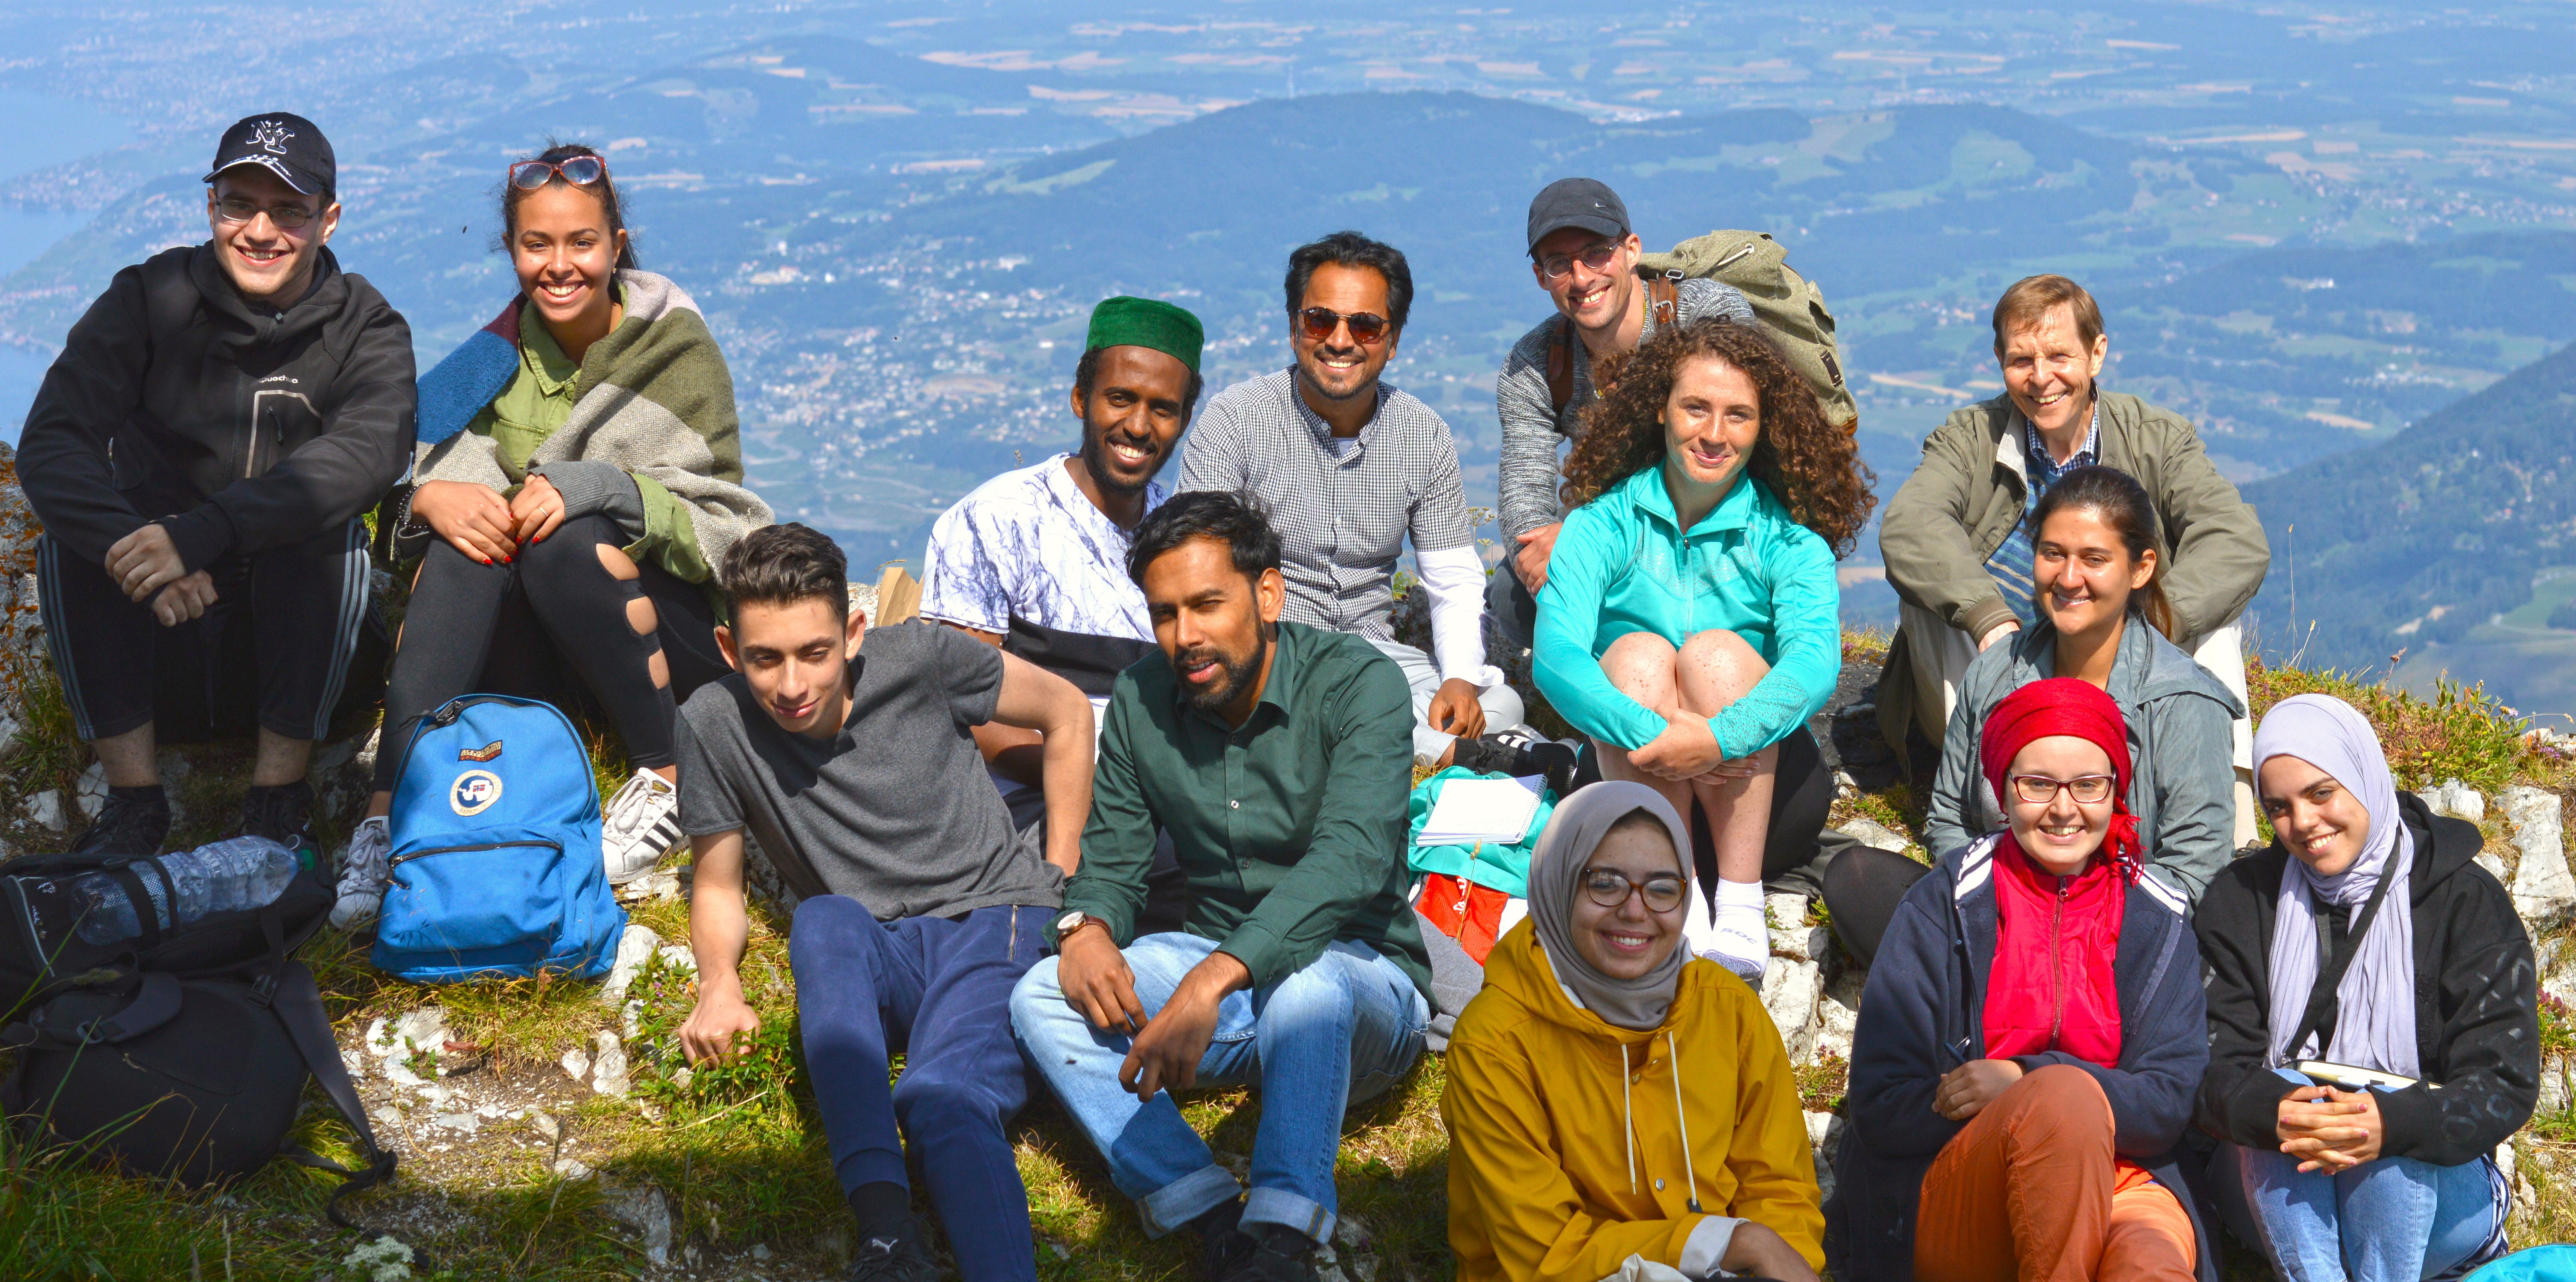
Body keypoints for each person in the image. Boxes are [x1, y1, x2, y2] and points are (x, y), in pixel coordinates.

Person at [331, 143, 772, 928]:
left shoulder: (673, 350)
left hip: (665, 640)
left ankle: (667, 777)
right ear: (512, 250)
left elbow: (725, 527)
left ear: (617, 245)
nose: (559, 264)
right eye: (538, 244)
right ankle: (383, 815)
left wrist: (601, 486)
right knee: (463, 542)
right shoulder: (488, 365)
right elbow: (398, 506)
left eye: (581, 242)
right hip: (545, 650)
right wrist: (430, 502)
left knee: (568, 531)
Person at [1009, 491, 1431, 1282]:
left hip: (1359, 983)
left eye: (1207, 604)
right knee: (1039, 993)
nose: (1185, 635)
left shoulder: (1357, 685)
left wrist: (1214, 974)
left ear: (1267, 594)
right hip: (1221, 993)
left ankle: (1282, 1235)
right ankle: (1207, 1214)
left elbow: (1352, 859)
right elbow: (1113, 856)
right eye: (1165, 613)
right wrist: (1088, 926)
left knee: (1308, 986)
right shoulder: (1141, 697)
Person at [672, 524, 1096, 1282]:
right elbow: (716, 880)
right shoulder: (712, 719)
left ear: (854, 632)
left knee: (941, 1098)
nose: (793, 684)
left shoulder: (923, 659)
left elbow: (1066, 710)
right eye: (766, 658)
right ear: (731, 649)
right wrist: (717, 984)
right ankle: (888, 1239)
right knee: (822, 918)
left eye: (815, 652)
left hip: (994, 918)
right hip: (883, 944)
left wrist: (1058, 880)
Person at [17, 112, 414, 866]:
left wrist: (199, 534)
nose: (260, 229)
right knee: (74, 539)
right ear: (211, 208)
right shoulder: (147, 299)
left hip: (294, 653)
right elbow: (52, 441)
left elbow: (368, 452)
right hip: (156, 636)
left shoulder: (367, 325)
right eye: (239, 204)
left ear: (328, 220)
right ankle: (133, 805)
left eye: (289, 210)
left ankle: (278, 802)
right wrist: (134, 553)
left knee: (320, 527)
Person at [1829, 678, 2213, 1282]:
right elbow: (1883, 1102)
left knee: (2151, 1266)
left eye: (2089, 785)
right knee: (2063, 1103)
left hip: (2123, 1182)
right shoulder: (1946, 903)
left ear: (2117, 792)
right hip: (1967, 1184)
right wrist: (2028, 1112)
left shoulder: (2157, 916)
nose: (2064, 809)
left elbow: (2169, 1101)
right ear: (2002, 792)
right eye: (2037, 784)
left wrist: (2020, 1080)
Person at [1532, 317, 1874, 982]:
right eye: (1697, 408)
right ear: (1660, 408)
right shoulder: (1600, 525)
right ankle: (1674, 897)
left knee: (1715, 654)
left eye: (1738, 415)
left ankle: (1741, 908)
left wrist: (1717, 740)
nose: (1714, 434)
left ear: (1762, 426)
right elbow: (1556, 655)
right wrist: (1659, 734)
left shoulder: (1789, 540)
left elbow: (1813, 664)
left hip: (1764, 803)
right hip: (1636, 774)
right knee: (1635, 657)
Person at [1877, 273, 2267, 842]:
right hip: (2006, 674)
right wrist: (1989, 621)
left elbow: (2235, 537)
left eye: (2059, 355)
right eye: (2020, 359)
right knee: (1927, 607)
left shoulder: (2157, 438)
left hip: (2129, 666)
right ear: (1999, 359)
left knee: (2218, 627)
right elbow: (1912, 527)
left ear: (2097, 353)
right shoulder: (1971, 438)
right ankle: (1996, 806)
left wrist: (2156, 624)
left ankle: (2229, 831)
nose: (2040, 378)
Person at [1826, 465, 2240, 968]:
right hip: (1999, 915)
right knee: (1858, 879)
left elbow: (2192, 873)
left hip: (2119, 946)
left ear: (2140, 568)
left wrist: (2072, 936)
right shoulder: (1996, 672)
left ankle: (1990, 1013)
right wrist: (2007, 912)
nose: (2068, 578)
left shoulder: (2181, 701)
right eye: (2052, 554)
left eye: (2093, 559)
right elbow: (1949, 820)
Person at [1177, 230, 1546, 778]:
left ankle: (1378, 743)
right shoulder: (1236, 422)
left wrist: (1460, 679)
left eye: (1365, 326)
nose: (1341, 341)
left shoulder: (1422, 434)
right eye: (1321, 320)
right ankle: (1441, 754)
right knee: (1271, 708)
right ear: (1294, 328)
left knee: (1497, 706)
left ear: (1391, 341)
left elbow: (1451, 577)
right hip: (1270, 654)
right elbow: (1196, 569)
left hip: (1373, 658)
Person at [2196, 694, 2531, 1282]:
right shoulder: (2240, 902)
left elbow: (2504, 1080)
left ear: (2364, 775)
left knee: (2393, 1131)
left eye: (2322, 793)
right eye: (2278, 807)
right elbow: (2205, 1065)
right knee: (2283, 1092)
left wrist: (2386, 1123)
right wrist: (2278, 1111)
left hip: (2433, 1192)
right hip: (2276, 1177)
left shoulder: (2463, 901)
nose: (2302, 823)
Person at [1443, 781, 1824, 1282]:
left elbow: (1781, 1189)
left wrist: (1776, 1257)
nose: (1634, 909)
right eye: (1605, 882)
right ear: (1558, 883)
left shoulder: (1727, 1010)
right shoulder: (1494, 1043)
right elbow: (1546, 1254)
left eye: (1663, 888)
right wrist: (1728, 1241)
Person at [921, 295, 1203, 933]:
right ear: (1081, 398)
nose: (1139, 426)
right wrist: (1105, 787)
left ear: (1185, 420)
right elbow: (968, 710)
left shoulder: (1189, 540)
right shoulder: (996, 520)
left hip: (1161, 809)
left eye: (1163, 409)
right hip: (1025, 806)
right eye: (1120, 399)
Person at [1491, 177, 1756, 650]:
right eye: (1558, 264)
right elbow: (1523, 501)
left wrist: (1582, 537)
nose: (1581, 278)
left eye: (1596, 252)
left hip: (1719, 525)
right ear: (1539, 277)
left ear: (1631, 250)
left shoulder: (1708, 315)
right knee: (1512, 595)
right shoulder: (1534, 364)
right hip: (1619, 544)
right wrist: (1558, 547)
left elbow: (1722, 463)